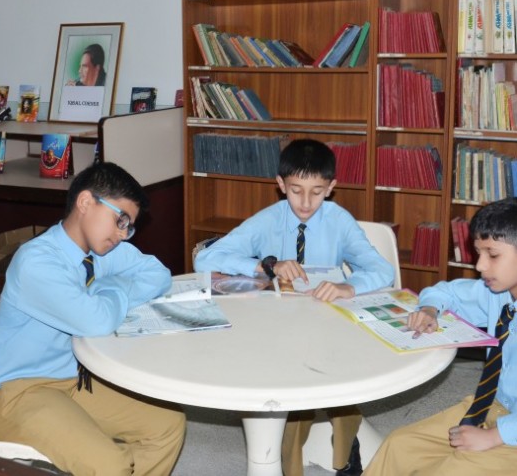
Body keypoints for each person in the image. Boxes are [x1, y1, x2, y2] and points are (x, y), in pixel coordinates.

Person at [195, 138, 394, 476]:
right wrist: (265, 265)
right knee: (292, 396)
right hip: (276, 328)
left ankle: (345, 455)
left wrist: (348, 286)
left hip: (326, 325)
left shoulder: (339, 221)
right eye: (296, 190)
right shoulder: (268, 219)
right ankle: (291, 463)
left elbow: (382, 270)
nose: (305, 202)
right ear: (280, 184)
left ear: (331, 187)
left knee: (339, 382)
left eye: (316, 192)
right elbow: (206, 258)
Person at [0, 162, 186, 475]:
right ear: (85, 202)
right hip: (13, 391)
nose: (122, 234)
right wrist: (112, 291)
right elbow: (97, 321)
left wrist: (108, 287)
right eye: (120, 220)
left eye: (129, 226)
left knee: (168, 425)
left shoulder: (99, 253)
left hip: (69, 377)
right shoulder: (37, 262)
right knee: (110, 464)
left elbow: (158, 275)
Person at [362, 197, 517, 476]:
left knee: (451, 469)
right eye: (478, 253)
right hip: (493, 405)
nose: (480, 266)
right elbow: (446, 292)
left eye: (492, 255)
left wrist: (496, 436)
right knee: (399, 445)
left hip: (511, 431)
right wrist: (429, 309)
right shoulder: (496, 292)